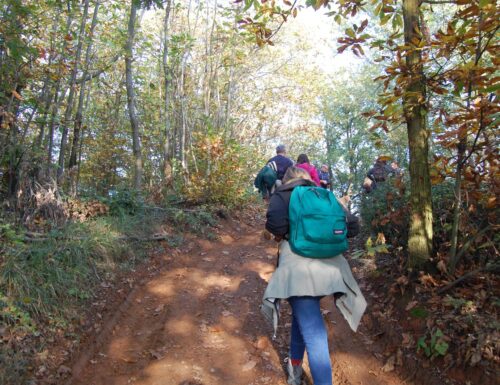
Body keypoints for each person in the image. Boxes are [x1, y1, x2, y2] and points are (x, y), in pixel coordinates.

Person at [262, 167, 366, 385]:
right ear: (309, 179)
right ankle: (295, 369)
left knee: (315, 333)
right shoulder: (325, 196)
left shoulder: (282, 195)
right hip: (330, 272)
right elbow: (353, 227)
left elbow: (274, 225)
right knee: (304, 319)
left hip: (298, 273)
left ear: (286, 180)